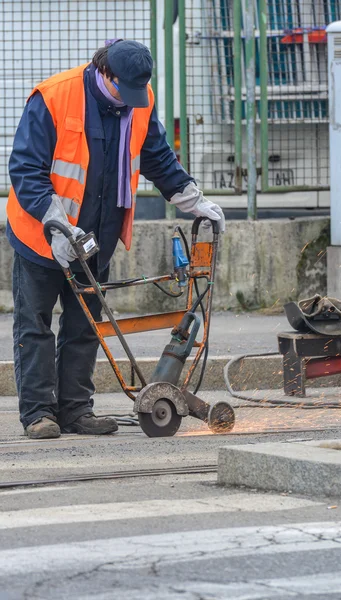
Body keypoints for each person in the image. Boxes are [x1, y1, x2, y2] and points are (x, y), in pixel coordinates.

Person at [7, 39, 225, 440]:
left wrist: (194, 201)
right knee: (35, 325)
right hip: (43, 238)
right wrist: (54, 223)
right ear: (104, 73)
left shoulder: (138, 99)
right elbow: (25, 169)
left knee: (85, 325)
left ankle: (75, 411)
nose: (130, 101)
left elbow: (158, 158)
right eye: (124, 91)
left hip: (95, 240)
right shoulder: (53, 97)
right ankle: (39, 414)